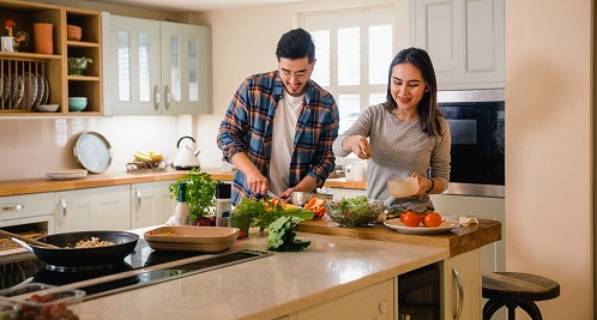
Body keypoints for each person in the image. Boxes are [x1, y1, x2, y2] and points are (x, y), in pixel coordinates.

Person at [217, 28, 340, 205]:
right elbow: (226, 134)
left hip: (297, 206)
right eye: (286, 71)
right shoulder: (253, 88)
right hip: (248, 200)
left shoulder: (325, 104)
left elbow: (326, 159)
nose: (292, 81)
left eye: (301, 73)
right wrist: (251, 171)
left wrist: (299, 190)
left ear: (313, 64)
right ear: (278, 63)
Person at [332, 47, 451, 212]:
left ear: (427, 87)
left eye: (413, 85)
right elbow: (337, 147)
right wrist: (352, 142)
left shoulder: (438, 126)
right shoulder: (375, 115)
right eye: (397, 82)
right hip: (375, 215)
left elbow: (443, 180)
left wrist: (428, 184)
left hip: (416, 217)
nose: (403, 92)